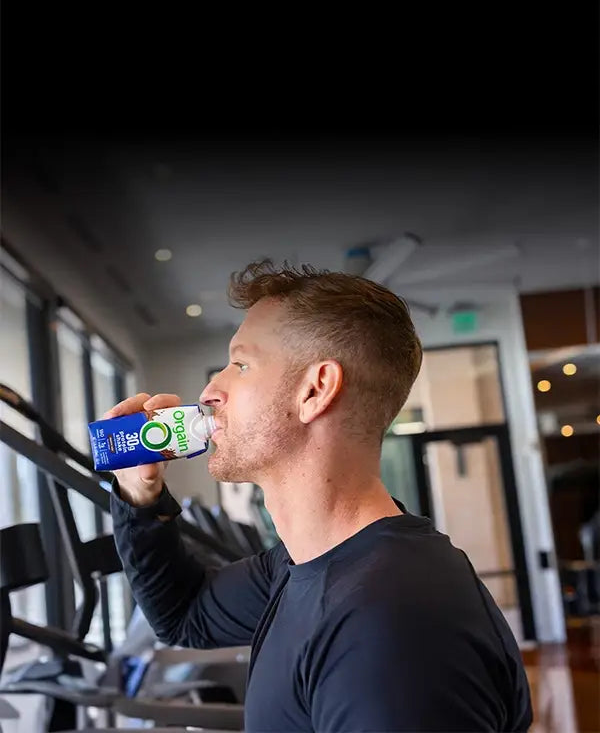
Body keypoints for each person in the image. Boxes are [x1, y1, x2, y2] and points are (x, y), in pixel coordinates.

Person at [108, 259, 533, 732]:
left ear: (315, 390)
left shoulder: (388, 628)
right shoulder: (304, 564)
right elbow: (184, 615)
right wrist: (137, 490)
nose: (209, 391)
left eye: (241, 364)